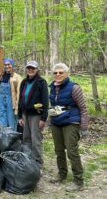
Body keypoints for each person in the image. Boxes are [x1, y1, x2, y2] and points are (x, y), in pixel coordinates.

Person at [48, 63, 89, 192]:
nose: (58, 75)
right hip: (56, 122)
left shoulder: (74, 88)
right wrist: (50, 121)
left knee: (72, 151)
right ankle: (62, 174)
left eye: (61, 72)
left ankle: (78, 181)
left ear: (66, 73)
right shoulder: (52, 87)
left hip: (71, 122)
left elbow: (83, 109)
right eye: (55, 73)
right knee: (59, 151)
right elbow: (53, 107)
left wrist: (84, 127)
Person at [18, 61, 48, 168]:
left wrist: (43, 118)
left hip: (36, 115)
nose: (31, 70)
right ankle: (27, 161)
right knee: (26, 138)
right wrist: (19, 115)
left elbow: (45, 101)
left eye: (33, 68)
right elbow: (20, 99)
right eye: (29, 68)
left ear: (37, 69)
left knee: (36, 140)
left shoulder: (41, 82)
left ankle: (38, 163)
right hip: (25, 114)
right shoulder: (24, 82)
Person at [0, 58, 22, 131]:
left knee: (11, 120)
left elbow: (19, 92)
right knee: (2, 120)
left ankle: (12, 137)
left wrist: (17, 105)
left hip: (11, 101)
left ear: (12, 65)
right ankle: (3, 138)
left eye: (8, 64)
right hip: (1, 101)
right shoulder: (1, 76)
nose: (7, 66)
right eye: (5, 65)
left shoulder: (17, 77)